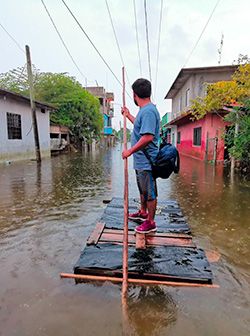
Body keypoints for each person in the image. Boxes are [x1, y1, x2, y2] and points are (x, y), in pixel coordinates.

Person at [122, 78, 160, 233]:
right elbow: (139, 127)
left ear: (135, 94)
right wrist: (128, 115)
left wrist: (130, 151)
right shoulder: (144, 111)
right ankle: (143, 212)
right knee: (142, 189)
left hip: (147, 161)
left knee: (149, 192)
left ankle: (150, 222)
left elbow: (148, 137)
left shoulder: (149, 111)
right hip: (140, 162)